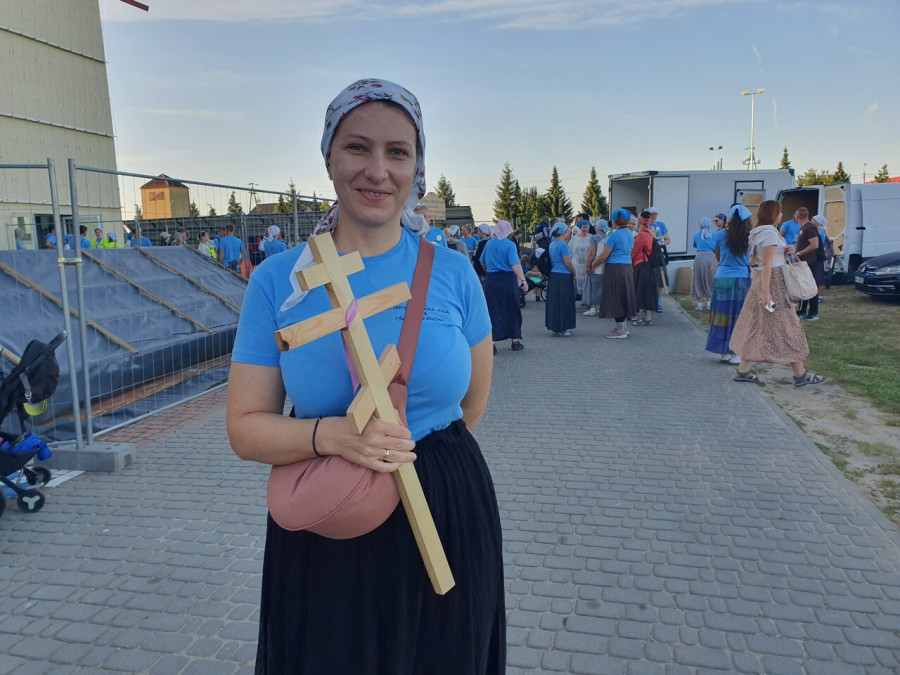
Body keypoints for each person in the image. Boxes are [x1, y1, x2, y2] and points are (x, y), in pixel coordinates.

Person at [226, 78, 505, 674]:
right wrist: (335, 437)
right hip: (333, 519)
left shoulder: (454, 273)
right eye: (357, 147)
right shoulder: (278, 283)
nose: (378, 170)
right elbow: (245, 428)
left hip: (446, 507)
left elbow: (472, 407)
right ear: (329, 157)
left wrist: (414, 451)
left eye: (397, 152)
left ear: (416, 166)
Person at [729, 200, 826, 387]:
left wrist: (786, 252)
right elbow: (767, 264)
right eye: (780, 212)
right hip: (772, 283)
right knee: (789, 326)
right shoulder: (769, 234)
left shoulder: (759, 232)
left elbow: (761, 261)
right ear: (774, 214)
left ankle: (743, 370)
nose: (782, 215)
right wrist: (767, 293)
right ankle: (800, 374)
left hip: (763, 281)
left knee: (755, 324)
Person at [705, 205, 753, 364]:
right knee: (739, 315)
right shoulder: (750, 236)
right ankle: (736, 353)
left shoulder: (720, 235)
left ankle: (723, 351)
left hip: (723, 277)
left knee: (722, 314)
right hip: (742, 278)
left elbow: (718, 256)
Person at [482, 220, 526, 352]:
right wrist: (523, 280)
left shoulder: (488, 244)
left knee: (493, 311)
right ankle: (515, 341)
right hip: (507, 281)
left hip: (491, 281)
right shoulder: (510, 245)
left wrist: (489, 272)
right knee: (512, 310)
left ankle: (492, 343)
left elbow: (482, 262)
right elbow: (515, 265)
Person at [594, 210, 637, 339]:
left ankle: (620, 331)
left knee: (616, 297)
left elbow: (604, 255)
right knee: (624, 296)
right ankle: (624, 327)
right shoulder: (630, 234)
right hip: (627, 267)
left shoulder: (614, 235)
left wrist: (593, 264)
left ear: (614, 221)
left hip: (615, 268)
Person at [544, 221, 576, 337]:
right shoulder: (563, 245)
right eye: (567, 231)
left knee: (555, 302)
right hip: (564, 276)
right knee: (564, 302)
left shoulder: (552, 244)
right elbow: (568, 263)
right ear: (563, 232)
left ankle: (555, 327)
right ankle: (563, 327)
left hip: (554, 276)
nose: (569, 232)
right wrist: (574, 273)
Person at [795, 209, 822, 321]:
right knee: (804, 286)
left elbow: (814, 245)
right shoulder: (803, 228)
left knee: (811, 286)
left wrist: (799, 253)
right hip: (803, 262)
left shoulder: (810, 228)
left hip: (810, 262)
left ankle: (813, 312)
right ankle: (802, 310)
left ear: (797, 216)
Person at [631, 211, 657, 327]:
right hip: (647, 264)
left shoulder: (641, 235)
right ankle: (647, 316)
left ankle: (644, 317)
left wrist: (629, 262)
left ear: (640, 221)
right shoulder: (649, 232)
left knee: (641, 290)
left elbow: (635, 251)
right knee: (647, 290)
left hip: (640, 264)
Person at [581, 219, 607, 316]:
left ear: (598, 227)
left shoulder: (594, 238)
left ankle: (593, 308)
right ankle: (603, 308)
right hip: (606, 264)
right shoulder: (609, 237)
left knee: (593, 286)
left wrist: (587, 265)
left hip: (596, 264)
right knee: (604, 286)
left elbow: (592, 253)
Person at [691, 217, 718, 310]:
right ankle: (709, 302)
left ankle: (699, 304)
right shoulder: (714, 235)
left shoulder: (696, 236)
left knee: (697, 279)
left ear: (700, 225)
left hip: (699, 257)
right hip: (711, 257)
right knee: (711, 279)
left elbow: (696, 246)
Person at [647, 207, 669, 312]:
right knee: (648, 279)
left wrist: (661, 243)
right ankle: (648, 302)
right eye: (651, 214)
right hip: (647, 254)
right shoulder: (645, 225)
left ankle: (658, 302)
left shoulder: (661, 225)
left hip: (658, 255)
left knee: (660, 279)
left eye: (655, 214)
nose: (654, 216)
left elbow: (667, 239)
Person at [569, 220, 594, 305]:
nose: (585, 229)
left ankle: (587, 300)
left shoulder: (591, 238)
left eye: (587, 227)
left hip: (587, 264)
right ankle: (578, 296)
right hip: (576, 265)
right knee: (577, 282)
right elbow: (569, 251)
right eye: (583, 227)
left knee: (587, 282)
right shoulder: (574, 239)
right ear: (580, 228)